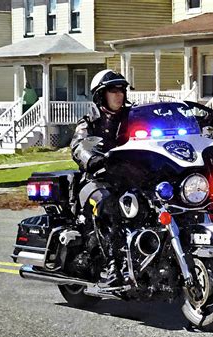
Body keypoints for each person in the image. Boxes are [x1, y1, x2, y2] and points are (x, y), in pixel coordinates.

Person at [71, 69, 131, 287]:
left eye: (121, 90)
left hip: (128, 181)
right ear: (100, 95)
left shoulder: (132, 118)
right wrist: (92, 158)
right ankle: (113, 265)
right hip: (95, 182)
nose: (119, 95)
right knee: (108, 204)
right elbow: (79, 145)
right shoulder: (89, 122)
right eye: (113, 91)